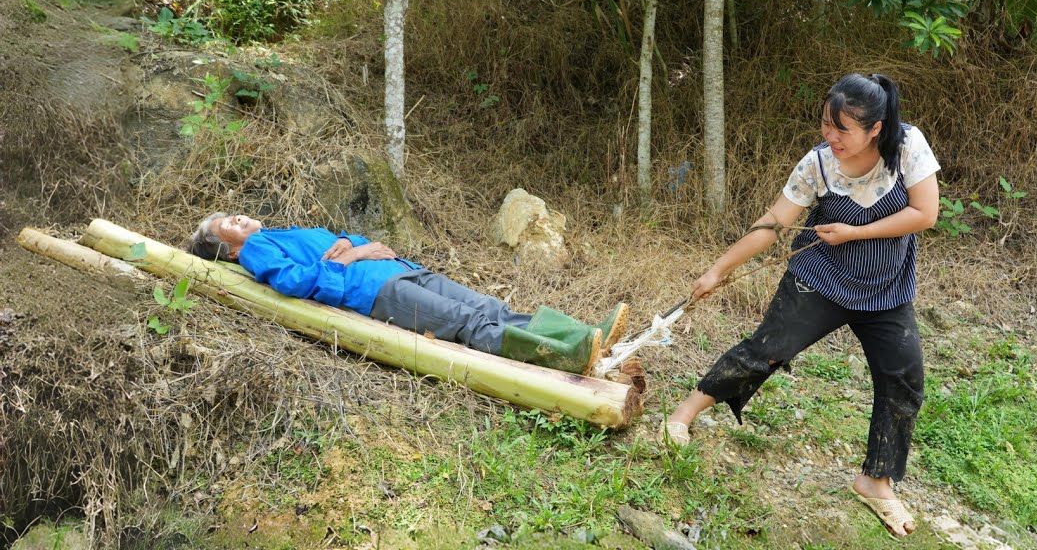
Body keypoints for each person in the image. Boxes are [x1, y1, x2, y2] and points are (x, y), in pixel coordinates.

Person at [664, 73, 939, 537]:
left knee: (904, 377)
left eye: (842, 129)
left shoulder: (908, 146)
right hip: (821, 280)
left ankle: (875, 481)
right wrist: (718, 270)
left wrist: (854, 232)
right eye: (825, 125)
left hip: (885, 290)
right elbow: (773, 223)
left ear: (875, 129)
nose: (830, 137)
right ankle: (682, 415)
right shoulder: (818, 164)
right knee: (767, 349)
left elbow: (924, 214)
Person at [183, 213, 627, 375]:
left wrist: (356, 246)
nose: (238, 217)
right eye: (229, 224)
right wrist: (349, 257)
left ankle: (579, 336)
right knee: (470, 322)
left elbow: (347, 237)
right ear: (230, 249)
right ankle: (562, 353)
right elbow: (295, 281)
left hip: (396, 271)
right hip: (377, 291)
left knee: (490, 306)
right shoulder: (258, 250)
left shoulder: (282, 232)